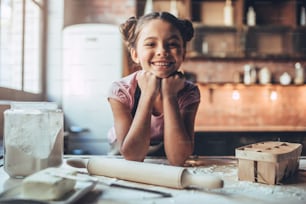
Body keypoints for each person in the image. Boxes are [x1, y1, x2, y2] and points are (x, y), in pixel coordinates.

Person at [107, 11, 200, 166]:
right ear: (135, 54)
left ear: (183, 54)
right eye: (151, 44)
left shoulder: (189, 93)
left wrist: (169, 96)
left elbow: (178, 159)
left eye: (172, 44)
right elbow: (133, 157)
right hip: (124, 161)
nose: (162, 51)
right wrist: (147, 95)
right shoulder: (121, 91)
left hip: (168, 161)